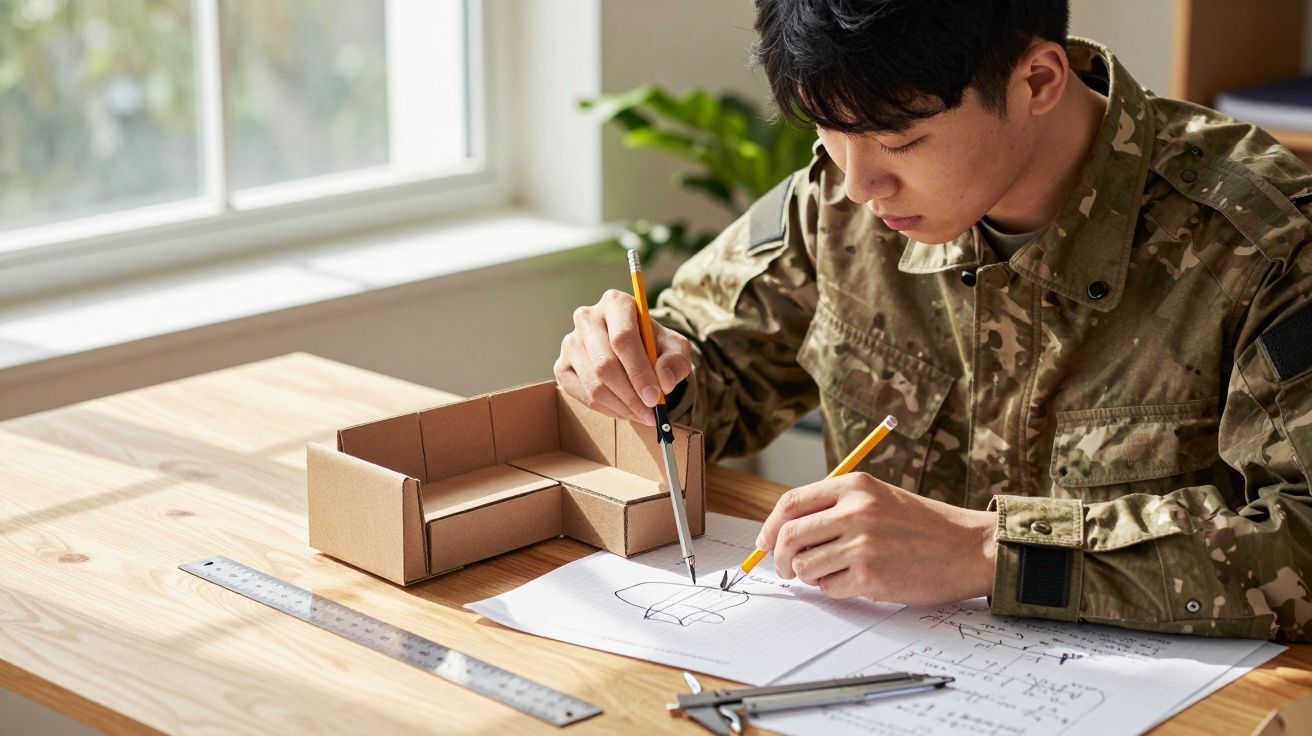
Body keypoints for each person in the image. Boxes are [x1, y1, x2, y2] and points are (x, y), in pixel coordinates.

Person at [554, 0, 1312, 641]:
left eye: (899, 140)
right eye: (826, 132)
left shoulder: (1261, 242)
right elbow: (716, 382)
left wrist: (993, 553)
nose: (856, 184)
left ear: (1037, 80)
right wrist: (646, 372)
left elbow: (1302, 537)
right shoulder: (836, 204)